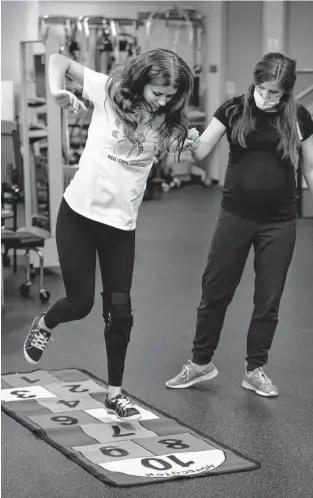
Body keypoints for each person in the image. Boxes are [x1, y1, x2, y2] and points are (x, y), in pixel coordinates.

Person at [23, 48, 197, 421]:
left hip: (121, 227)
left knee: (120, 313)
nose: (162, 101)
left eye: (170, 96)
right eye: (156, 93)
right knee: (81, 304)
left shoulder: (166, 120)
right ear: (140, 82)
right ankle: (46, 323)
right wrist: (56, 89)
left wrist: (190, 141)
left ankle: (114, 393)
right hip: (79, 217)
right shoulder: (107, 91)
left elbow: (180, 149)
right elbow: (59, 60)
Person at [166, 52, 313, 397]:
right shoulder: (232, 110)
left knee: (267, 300)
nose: (267, 97)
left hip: (280, 221)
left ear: (286, 93)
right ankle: (200, 364)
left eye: (275, 93)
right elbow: (201, 151)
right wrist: (189, 143)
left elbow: (312, 166)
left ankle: (254, 369)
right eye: (263, 89)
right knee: (215, 292)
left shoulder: (296, 117)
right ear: (254, 81)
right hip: (235, 216)